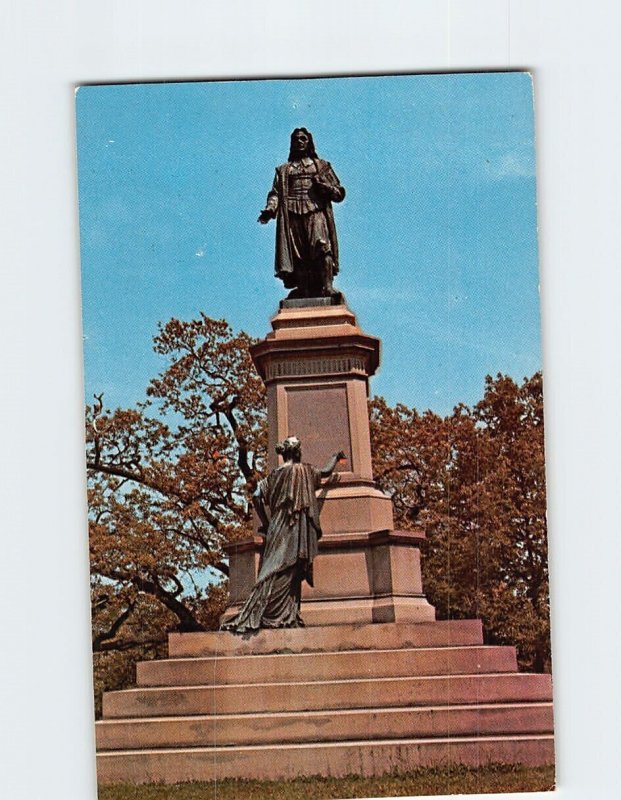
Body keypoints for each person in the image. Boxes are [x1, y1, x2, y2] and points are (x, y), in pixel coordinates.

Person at [222, 437, 345, 632]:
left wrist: (266, 522)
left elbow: (255, 497)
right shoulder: (303, 470)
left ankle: (283, 613)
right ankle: (274, 614)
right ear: (297, 452)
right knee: (287, 567)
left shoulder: (273, 475)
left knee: (274, 568)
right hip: (295, 524)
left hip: (276, 525)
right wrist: (335, 457)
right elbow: (324, 472)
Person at [258, 128, 346, 299]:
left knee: (322, 247)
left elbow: (339, 193)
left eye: (303, 139)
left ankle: (328, 287)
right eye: (296, 139)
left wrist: (326, 188)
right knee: (299, 255)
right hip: (292, 213)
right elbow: (276, 193)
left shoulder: (321, 166)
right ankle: (304, 290)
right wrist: (270, 208)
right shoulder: (284, 170)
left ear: (309, 142)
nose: (299, 142)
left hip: (315, 211)